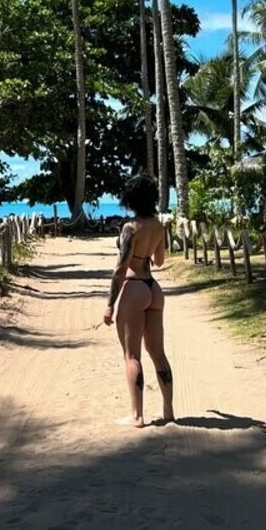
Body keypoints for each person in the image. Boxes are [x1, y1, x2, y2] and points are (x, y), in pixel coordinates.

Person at [102, 174, 175, 428]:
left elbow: (120, 270)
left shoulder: (130, 228)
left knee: (131, 355)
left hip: (134, 289)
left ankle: (137, 415)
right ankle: (168, 410)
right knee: (158, 354)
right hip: (154, 289)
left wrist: (110, 304)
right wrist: (146, 252)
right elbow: (160, 261)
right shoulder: (158, 226)